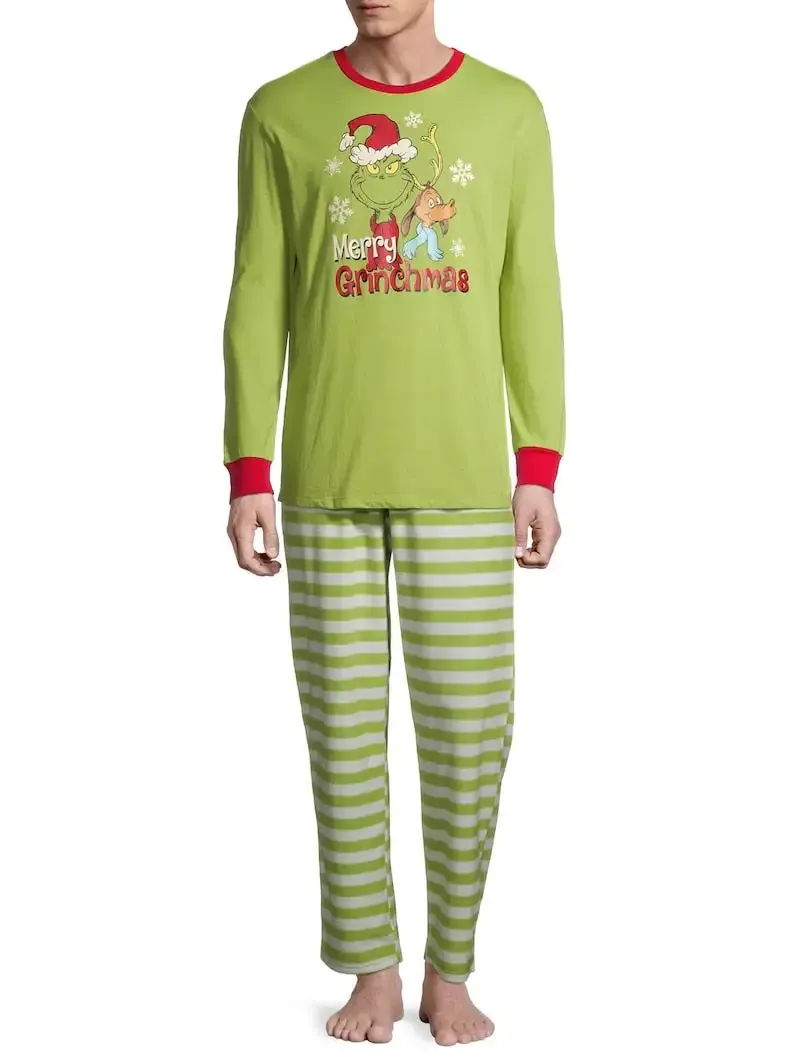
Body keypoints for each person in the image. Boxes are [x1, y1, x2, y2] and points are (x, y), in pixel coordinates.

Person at [223, 0, 564, 1045]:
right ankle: (371, 966)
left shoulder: (508, 111)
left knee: (469, 732)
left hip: (463, 475)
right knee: (341, 738)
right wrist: (247, 467)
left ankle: (448, 969)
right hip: (325, 477)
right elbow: (257, 289)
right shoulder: (281, 111)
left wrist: (538, 459)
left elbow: (529, 284)